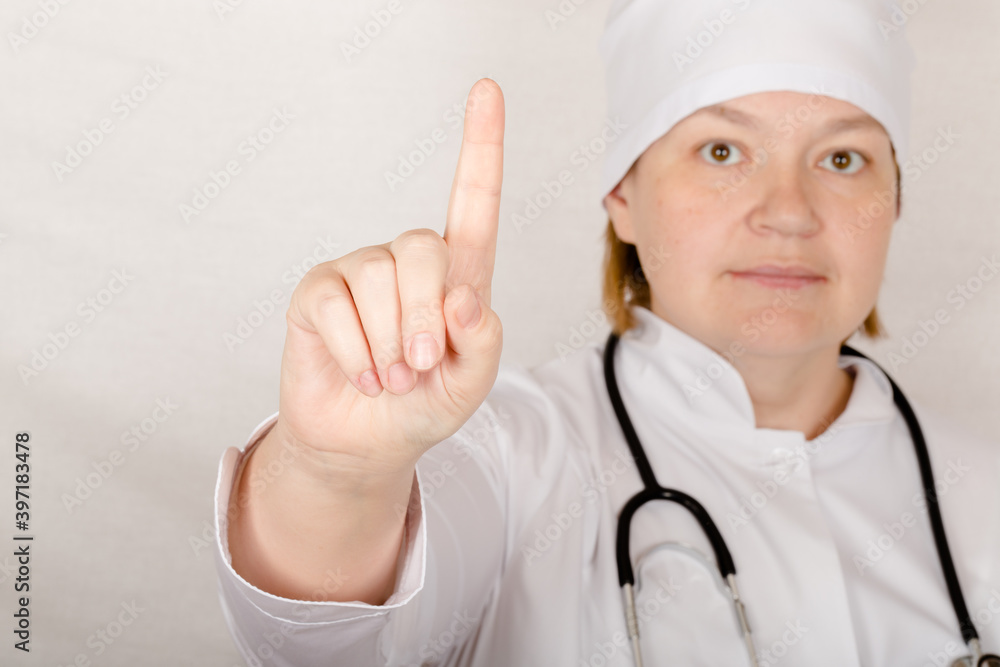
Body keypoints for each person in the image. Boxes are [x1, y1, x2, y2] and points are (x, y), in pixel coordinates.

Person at [212, 0, 1000, 664]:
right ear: (622, 193)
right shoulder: (519, 456)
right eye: (722, 149)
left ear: (894, 198)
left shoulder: (985, 491)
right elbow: (324, 637)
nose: (788, 211)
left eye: (843, 157)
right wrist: (336, 473)